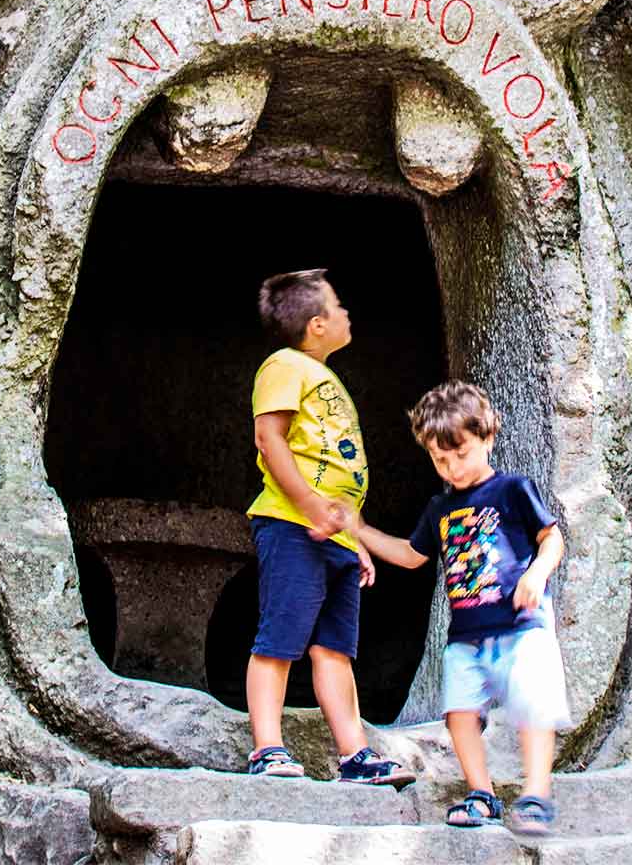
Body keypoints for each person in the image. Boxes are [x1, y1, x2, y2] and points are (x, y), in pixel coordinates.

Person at [348, 380, 570, 835]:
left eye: (461, 454)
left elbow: (553, 539)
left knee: (532, 705)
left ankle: (536, 795)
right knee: (459, 713)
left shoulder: (513, 490)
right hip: (465, 634)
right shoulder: (439, 508)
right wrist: (359, 530)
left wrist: (536, 574)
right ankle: (481, 794)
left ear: (487, 437)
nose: (452, 469)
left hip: (521, 625)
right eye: (440, 460)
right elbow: (411, 556)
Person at [241, 268, 414, 786]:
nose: (346, 314)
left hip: (332, 536)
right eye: (338, 307)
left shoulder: (324, 375)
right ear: (317, 324)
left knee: (335, 649)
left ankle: (354, 755)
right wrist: (311, 506)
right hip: (292, 526)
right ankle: (267, 749)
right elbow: (270, 441)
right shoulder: (283, 366)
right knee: (279, 639)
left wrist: (352, 537)